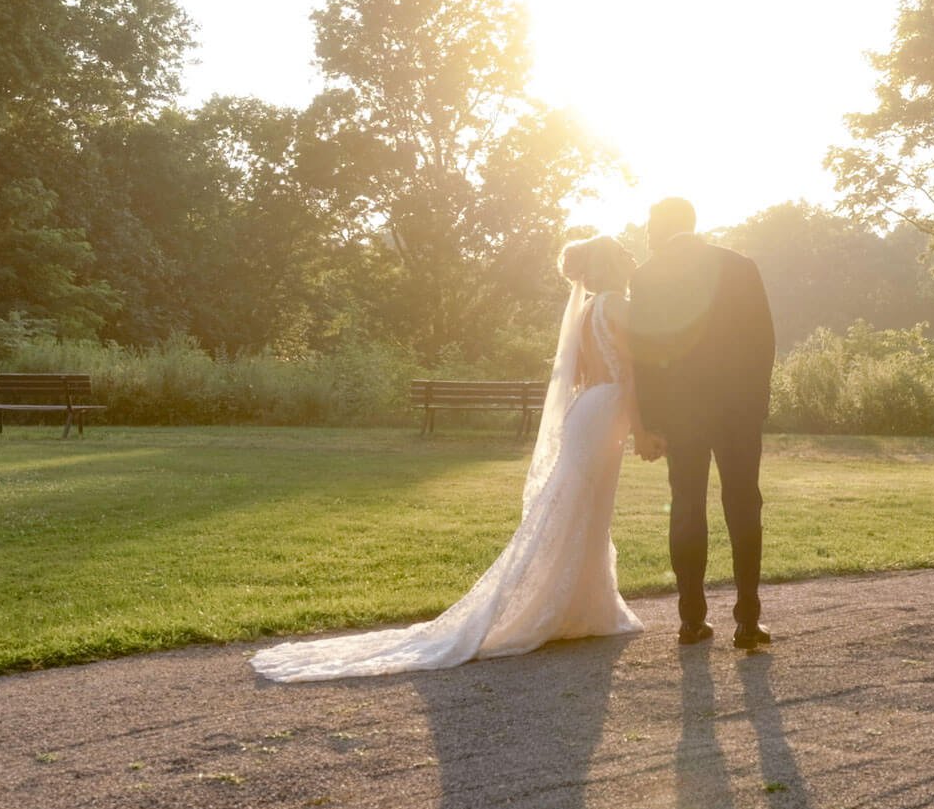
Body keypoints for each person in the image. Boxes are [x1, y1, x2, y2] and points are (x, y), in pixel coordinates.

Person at [250, 237, 652, 681]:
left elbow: (579, 373)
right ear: (611, 262)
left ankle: (583, 605)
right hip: (607, 409)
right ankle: (568, 608)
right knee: (583, 510)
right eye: (624, 255)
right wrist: (644, 428)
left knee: (577, 509)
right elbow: (635, 372)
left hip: (587, 408)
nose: (630, 260)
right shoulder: (617, 306)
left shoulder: (586, 310)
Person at [628, 197, 777, 650]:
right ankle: (748, 622)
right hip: (737, 411)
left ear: (661, 226)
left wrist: (651, 422)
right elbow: (763, 339)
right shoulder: (739, 265)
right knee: (744, 504)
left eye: (651, 225)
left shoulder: (647, 275)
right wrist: (754, 404)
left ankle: (691, 621)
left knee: (687, 505)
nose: (648, 234)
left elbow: (645, 355)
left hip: (682, 413)